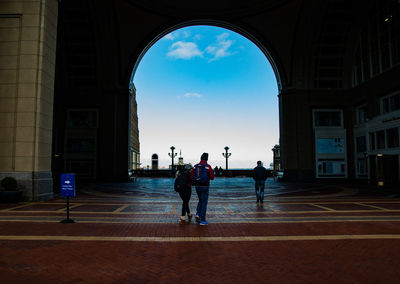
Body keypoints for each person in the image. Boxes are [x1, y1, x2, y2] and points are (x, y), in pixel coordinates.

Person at [191, 153, 215, 225]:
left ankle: (198, 214)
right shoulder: (208, 166)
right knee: (204, 202)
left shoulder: (195, 166)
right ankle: (203, 220)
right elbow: (212, 177)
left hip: (197, 186)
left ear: (200, 158)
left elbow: (191, 177)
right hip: (205, 186)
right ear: (207, 159)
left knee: (200, 200)